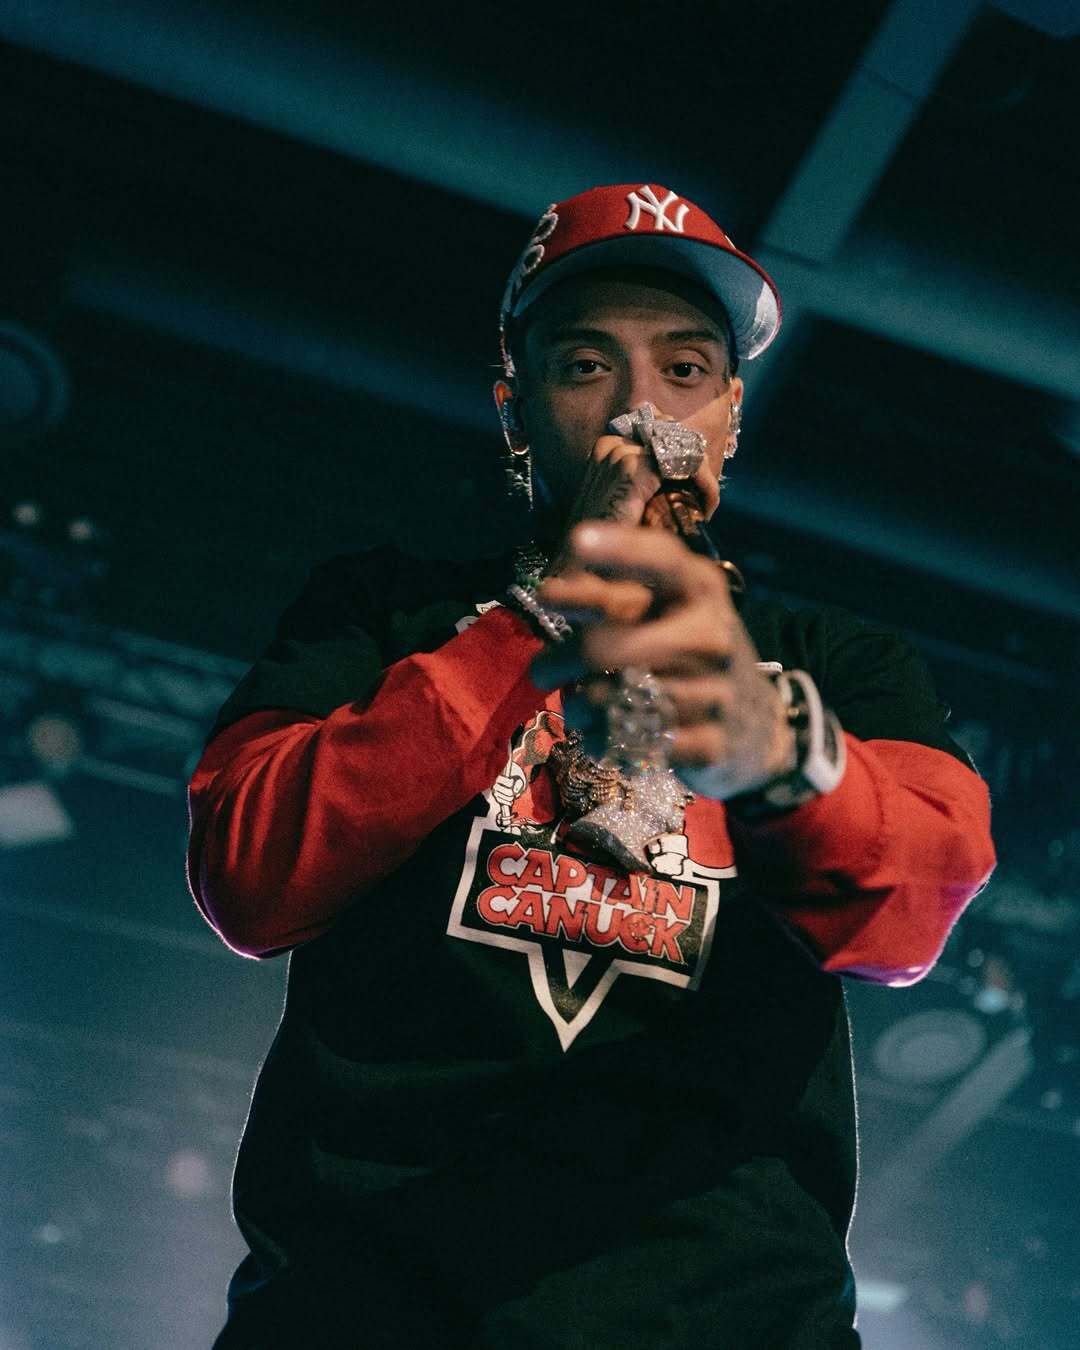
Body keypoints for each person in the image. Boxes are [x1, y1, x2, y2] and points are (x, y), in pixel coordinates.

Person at [187, 184, 996, 1349]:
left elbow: (913, 915)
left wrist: (782, 753)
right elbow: (250, 877)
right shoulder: (379, 612)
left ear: (729, 417)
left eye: (685, 370)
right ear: (515, 409)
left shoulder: (837, 663)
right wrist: (537, 619)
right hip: (366, 1309)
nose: (638, 411)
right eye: (584, 366)